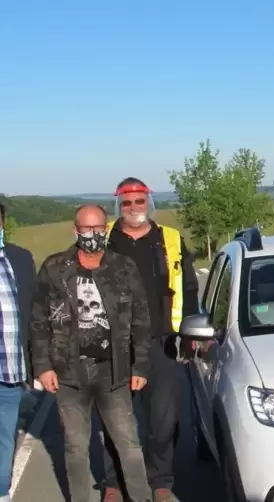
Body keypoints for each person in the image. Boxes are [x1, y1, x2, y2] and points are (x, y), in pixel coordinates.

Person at [29, 205, 152, 502]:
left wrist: (141, 367)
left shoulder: (123, 268)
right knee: (75, 447)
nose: (93, 235)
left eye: (98, 228)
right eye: (86, 229)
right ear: (76, 231)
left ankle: (141, 498)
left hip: (114, 370)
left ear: (105, 229)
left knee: (129, 445)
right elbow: (37, 320)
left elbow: (141, 319)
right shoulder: (54, 268)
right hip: (69, 372)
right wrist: (42, 366)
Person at [102, 177, 199, 502]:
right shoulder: (103, 241)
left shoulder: (169, 239)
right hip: (113, 346)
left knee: (163, 420)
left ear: (149, 203)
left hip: (162, 342)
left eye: (139, 201)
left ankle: (160, 482)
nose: (133, 208)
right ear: (119, 206)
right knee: (115, 419)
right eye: (126, 203)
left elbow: (188, 288)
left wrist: (191, 331)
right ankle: (114, 484)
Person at [0, 204, 36, 502]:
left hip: (9, 369)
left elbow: (34, 312)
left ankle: (1, 490)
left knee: (4, 436)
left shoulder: (20, 258)